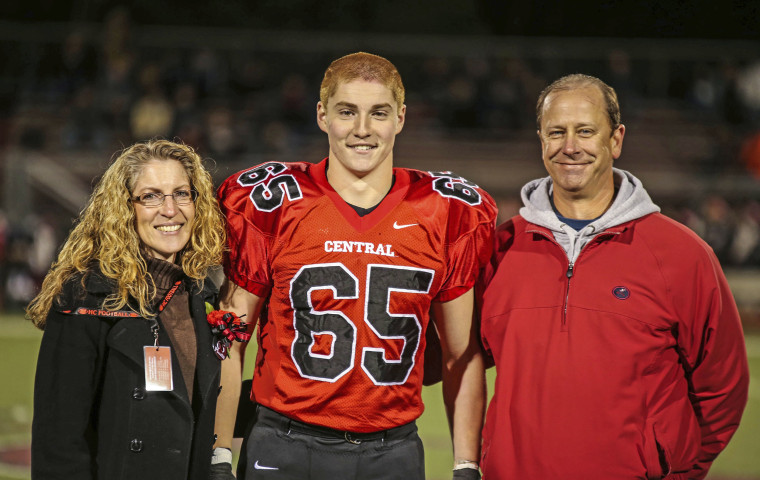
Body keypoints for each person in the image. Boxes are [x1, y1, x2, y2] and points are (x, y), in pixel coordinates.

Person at [211, 52, 497, 480]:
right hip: (283, 441)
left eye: (378, 113)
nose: (362, 130)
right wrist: (218, 456)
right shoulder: (275, 202)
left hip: (392, 450)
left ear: (400, 118)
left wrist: (466, 465)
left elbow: (461, 354)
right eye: (347, 112)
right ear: (323, 115)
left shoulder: (446, 210)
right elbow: (229, 339)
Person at [479, 74, 750, 479]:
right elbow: (460, 363)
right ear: (541, 141)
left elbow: (722, 387)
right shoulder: (500, 248)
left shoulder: (683, 254)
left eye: (586, 131)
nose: (570, 147)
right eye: (557, 132)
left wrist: (679, 471)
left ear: (616, 140)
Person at [28, 139, 227, 480]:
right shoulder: (87, 296)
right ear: (124, 207)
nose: (170, 209)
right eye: (151, 196)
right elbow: (58, 441)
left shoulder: (200, 294)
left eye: (181, 193)